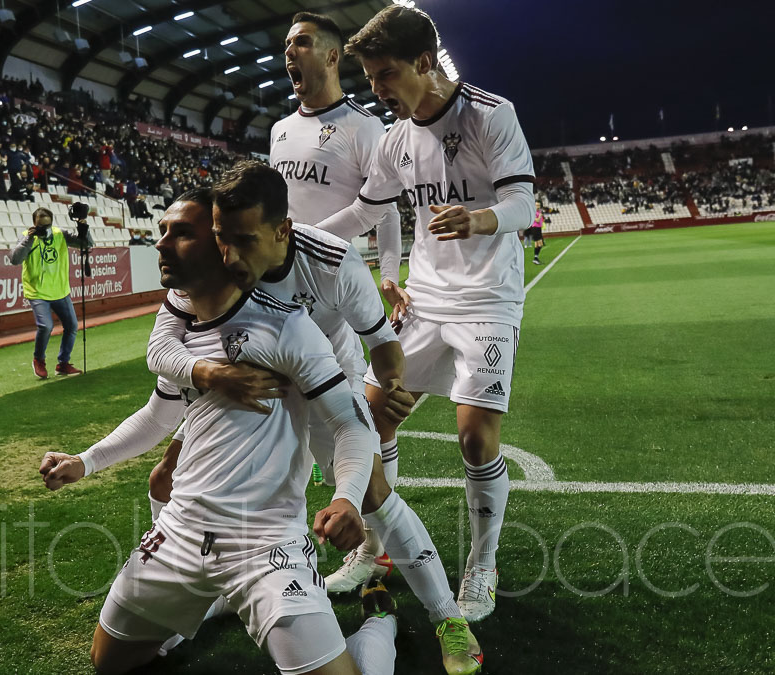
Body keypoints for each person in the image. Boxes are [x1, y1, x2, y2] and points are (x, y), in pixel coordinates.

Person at [38, 189, 394, 675]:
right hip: (179, 531)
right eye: (162, 232)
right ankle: (217, 600)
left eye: (181, 233)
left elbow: (352, 426)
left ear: (222, 246)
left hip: (265, 542)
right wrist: (86, 460)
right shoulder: (182, 332)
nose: (162, 244)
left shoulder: (287, 327)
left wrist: (347, 497)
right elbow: (158, 416)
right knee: (110, 663)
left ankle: (379, 626)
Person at [146, 163, 482, 675]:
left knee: (372, 496)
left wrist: (390, 388)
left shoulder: (333, 261)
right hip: (247, 390)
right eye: (220, 237)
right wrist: (205, 376)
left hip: (328, 385)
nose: (229, 255)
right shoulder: (212, 257)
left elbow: (383, 344)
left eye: (243, 239)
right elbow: (162, 343)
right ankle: (200, 595)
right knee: (177, 478)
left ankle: (450, 620)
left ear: (282, 230)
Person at [317, 5, 537, 624]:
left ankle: (482, 565)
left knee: (474, 436)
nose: (377, 91)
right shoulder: (395, 140)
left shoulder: (493, 115)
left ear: (423, 63)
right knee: (369, 418)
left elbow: (524, 201)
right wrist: (294, 237)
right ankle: (374, 549)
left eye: (385, 75)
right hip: (426, 298)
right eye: (370, 80)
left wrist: (479, 218)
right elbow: (363, 213)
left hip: (489, 299)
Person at [271, 10, 407, 582]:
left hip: (333, 297)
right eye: (286, 45)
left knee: (353, 429)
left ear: (331, 56)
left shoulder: (364, 128)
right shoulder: (280, 131)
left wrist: (390, 271)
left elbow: (387, 205)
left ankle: (375, 547)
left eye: (300, 43)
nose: (289, 53)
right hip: (280, 300)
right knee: (283, 432)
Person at [9, 207, 91, 379]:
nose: (44, 229)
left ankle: (63, 363)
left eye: (47, 225)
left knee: (72, 326)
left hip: (60, 290)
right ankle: (39, 359)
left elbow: (87, 244)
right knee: (46, 326)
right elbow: (15, 259)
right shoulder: (27, 235)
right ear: (34, 224)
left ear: (52, 222)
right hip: (37, 291)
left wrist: (83, 225)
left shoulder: (60, 234)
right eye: (41, 226)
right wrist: (29, 239)